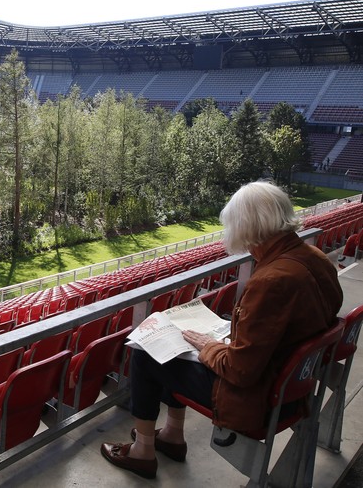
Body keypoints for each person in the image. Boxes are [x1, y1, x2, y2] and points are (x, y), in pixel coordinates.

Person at [100, 181, 343, 479]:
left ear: (247, 226)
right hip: (289, 385)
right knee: (181, 349)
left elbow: (241, 370)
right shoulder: (315, 258)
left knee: (147, 354)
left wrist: (208, 346)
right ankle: (172, 436)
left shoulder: (272, 281)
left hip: (255, 398)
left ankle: (143, 451)